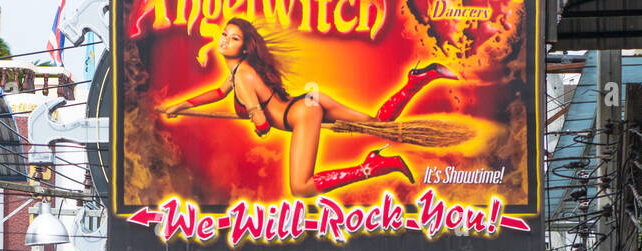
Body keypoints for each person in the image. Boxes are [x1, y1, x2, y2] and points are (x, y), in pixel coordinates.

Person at [161, 18, 454, 196]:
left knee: (301, 187)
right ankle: (417, 80)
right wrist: (179, 106)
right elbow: (215, 92)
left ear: (245, 47)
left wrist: (256, 117)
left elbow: (262, 124)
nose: (225, 39)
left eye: (233, 38)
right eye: (224, 34)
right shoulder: (238, 73)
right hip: (310, 101)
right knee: (378, 123)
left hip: (301, 114)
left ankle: (372, 167)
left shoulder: (244, 75)